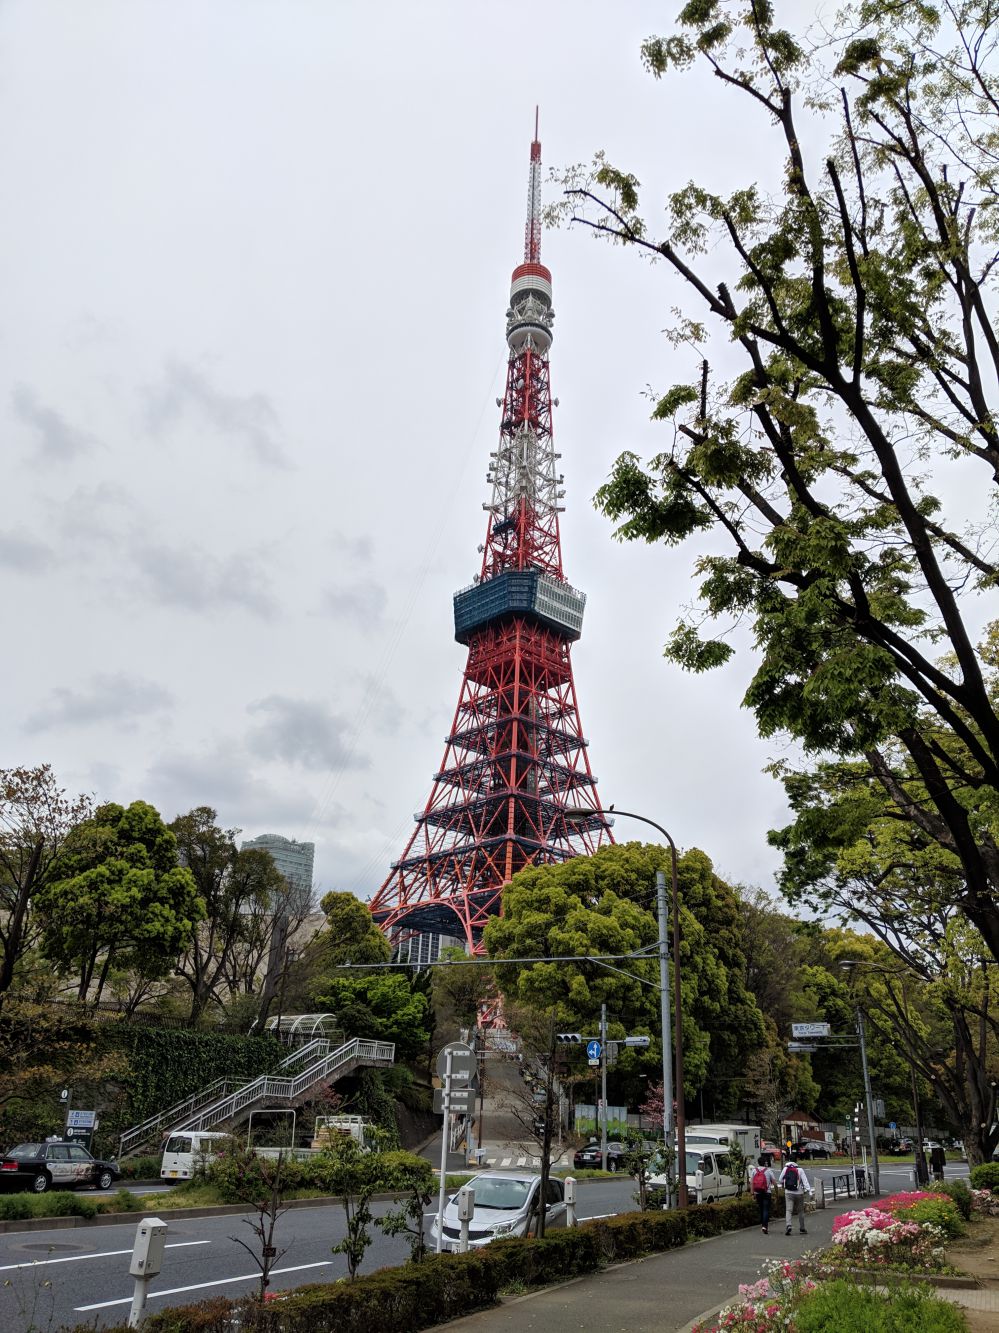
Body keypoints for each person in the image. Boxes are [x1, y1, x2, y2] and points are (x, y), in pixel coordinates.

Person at [779, 1157, 812, 1235]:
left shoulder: (785, 1169)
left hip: (788, 1192)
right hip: (799, 1192)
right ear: (796, 1160)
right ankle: (802, 1228)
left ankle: (788, 1225)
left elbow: (780, 1179)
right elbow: (805, 1181)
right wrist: (809, 1191)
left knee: (789, 1210)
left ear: (789, 1160)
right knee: (800, 1211)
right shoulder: (800, 1170)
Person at [751, 1155, 778, 1234]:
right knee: (766, 1209)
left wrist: (752, 1194)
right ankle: (764, 1226)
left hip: (758, 1193)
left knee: (761, 1209)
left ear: (758, 1163)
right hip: (767, 1193)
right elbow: (775, 1183)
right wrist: (776, 1193)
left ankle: (763, 1225)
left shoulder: (754, 1171)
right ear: (765, 1163)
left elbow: (751, 1183)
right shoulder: (768, 1171)